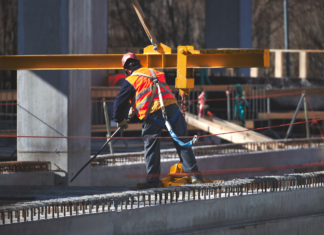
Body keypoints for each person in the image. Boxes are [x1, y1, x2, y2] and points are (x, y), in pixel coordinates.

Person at [113, 52, 203, 188]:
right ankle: (195, 177)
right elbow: (151, 90)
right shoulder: (155, 72)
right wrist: (135, 105)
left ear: (126, 69)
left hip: (154, 112)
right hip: (172, 107)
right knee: (183, 141)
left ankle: (152, 182)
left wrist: (120, 119)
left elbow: (119, 103)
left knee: (151, 146)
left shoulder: (131, 80)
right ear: (138, 63)